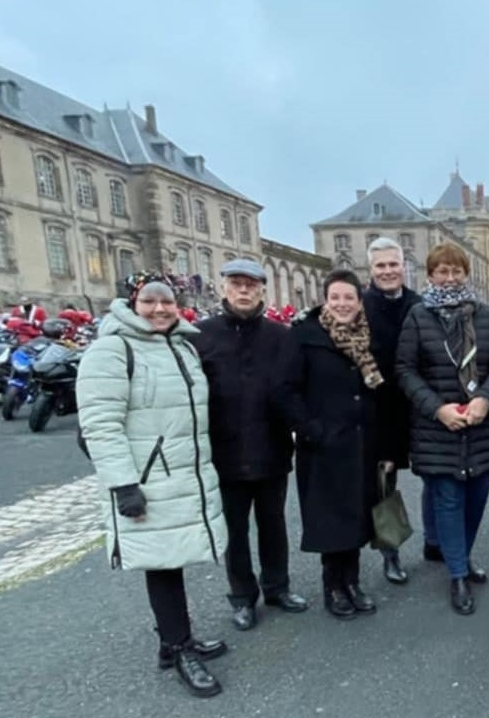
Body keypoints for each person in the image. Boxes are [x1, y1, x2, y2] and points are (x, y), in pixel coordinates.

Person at [76, 271, 229, 698]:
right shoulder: (112, 350)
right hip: (147, 476)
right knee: (161, 563)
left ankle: (173, 642)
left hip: (183, 471)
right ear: (132, 302)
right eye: (149, 301)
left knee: (173, 558)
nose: (159, 309)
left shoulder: (181, 345)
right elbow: (100, 425)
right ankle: (179, 648)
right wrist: (123, 484)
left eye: (167, 301)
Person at [190, 258, 308, 632]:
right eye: (236, 283)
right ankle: (242, 597)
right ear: (224, 287)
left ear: (262, 290)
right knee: (235, 532)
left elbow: (295, 387)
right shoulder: (200, 335)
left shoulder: (281, 335)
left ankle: (278, 587)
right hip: (223, 452)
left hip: (271, 447)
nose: (244, 290)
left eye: (251, 285)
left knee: (273, 524)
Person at [396, 244, 489, 614]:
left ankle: (459, 554)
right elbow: (405, 370)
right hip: (438, 426)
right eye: (442, 272)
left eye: (456, 271)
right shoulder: (418, 316)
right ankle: (458, 574)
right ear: (430, 276)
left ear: (465, 274)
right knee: (448, 498)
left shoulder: (485, 316)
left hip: (482, 424)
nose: (450, 278)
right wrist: (438, 409)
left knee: (476, 497)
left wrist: (486, 400)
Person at [278, 269, 385, 620]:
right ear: (326, 300)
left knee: (356, 515)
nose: (342, 304)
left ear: (359, 301)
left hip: (361, 441)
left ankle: (352, 581)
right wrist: (310, 429)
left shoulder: (365, 334)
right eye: (335, 297)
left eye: (349, 298)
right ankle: (333, 586)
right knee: (331, 518)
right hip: (324, 445)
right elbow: (286, 389)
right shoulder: (304, 335)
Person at [362, 237, 428, 585]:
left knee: (435, 474)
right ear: (371, 270)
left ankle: (436, 542)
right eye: (380, 266)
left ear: (404, 266)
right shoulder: (359, 305)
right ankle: (391, 552)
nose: (387, 271)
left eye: (393, 264)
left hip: (420, 405)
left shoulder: (420, 303)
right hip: (381, 410)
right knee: (384, 484)